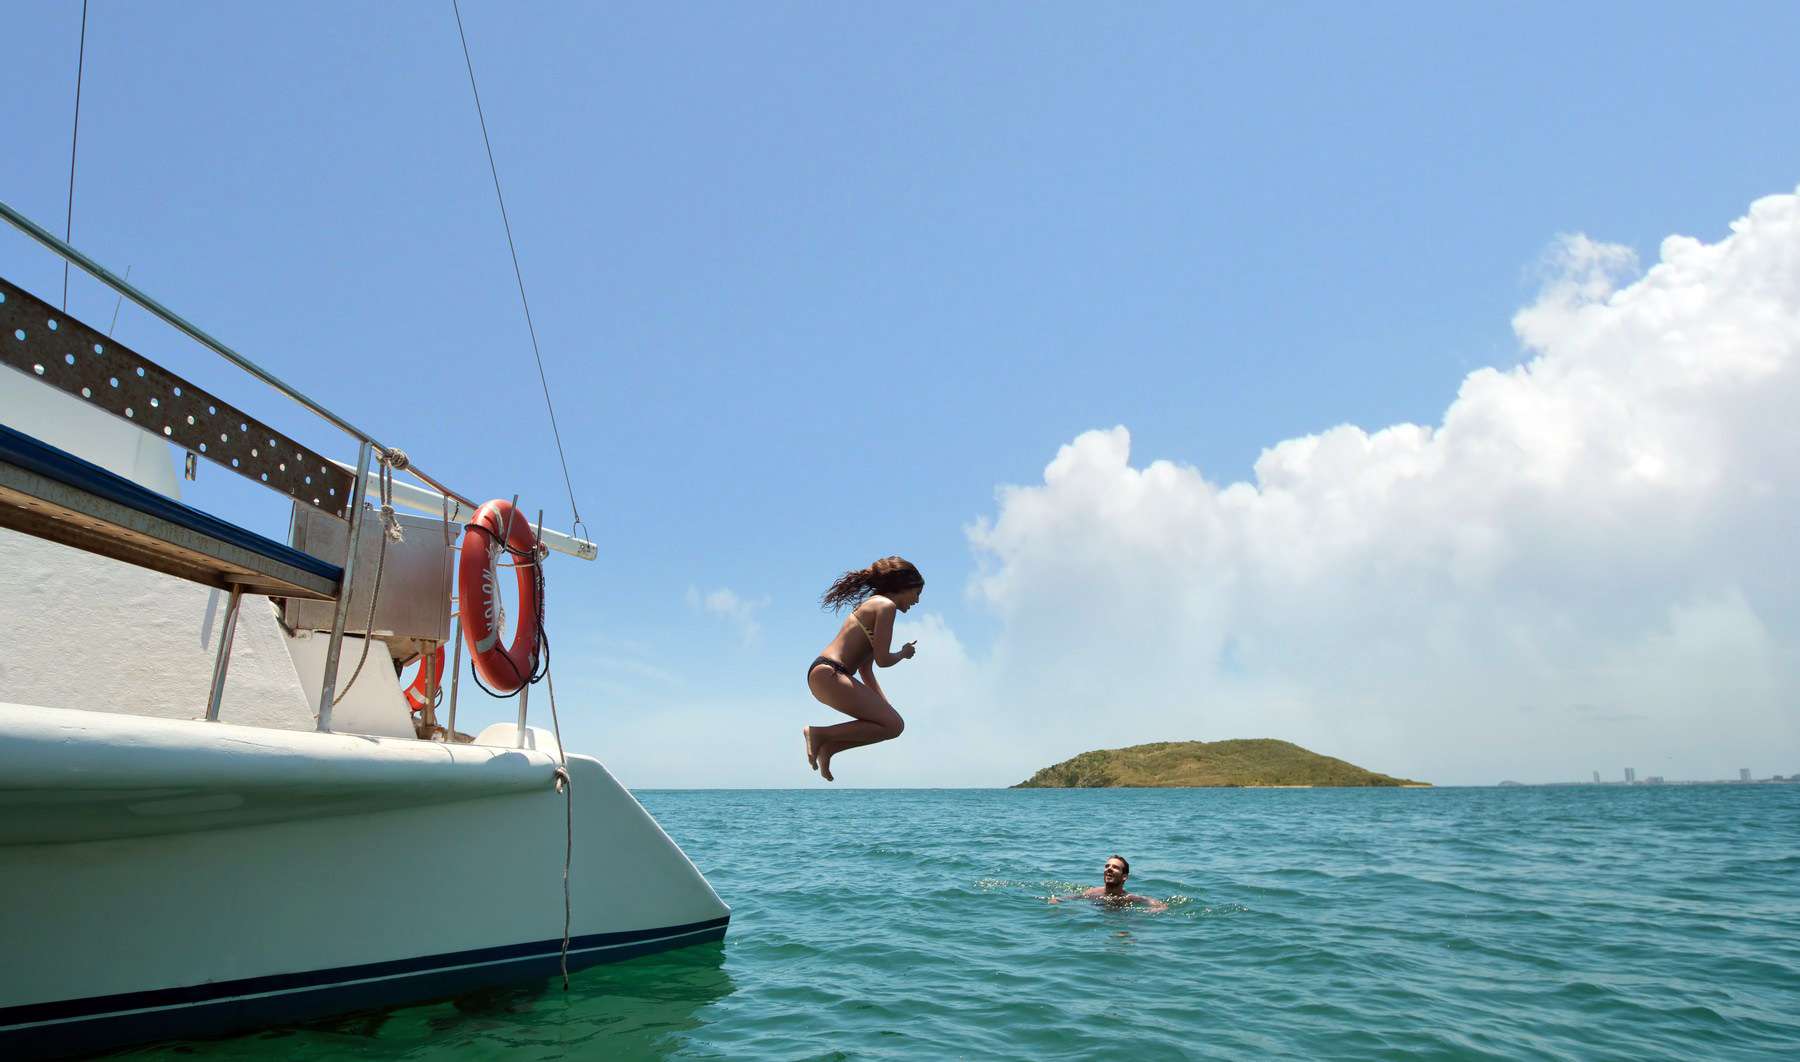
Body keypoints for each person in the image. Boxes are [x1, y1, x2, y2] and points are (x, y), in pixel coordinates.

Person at [801, 556, 923, 781]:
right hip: (831, 673)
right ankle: (819, 734)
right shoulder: (886, 606)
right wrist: (903, 653)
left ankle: (829, 748)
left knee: (891, 726)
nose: (917, 601)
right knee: (894, 725)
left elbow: (867, 669)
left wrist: (884, 705)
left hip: (824, 675)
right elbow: (883, 660)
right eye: (917, 593)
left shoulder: (872, 605)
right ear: (904, 586)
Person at [1048, 855, 1167, 911]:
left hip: (1122, 916)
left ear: (1124, 877)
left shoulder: (1129, 898)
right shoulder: (1093, 892)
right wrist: (1057, 900)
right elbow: (1073, 897)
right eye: (1107, 866)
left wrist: (1156, 909)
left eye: (1115, 867)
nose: (1109, 869)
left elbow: (1159, 905)